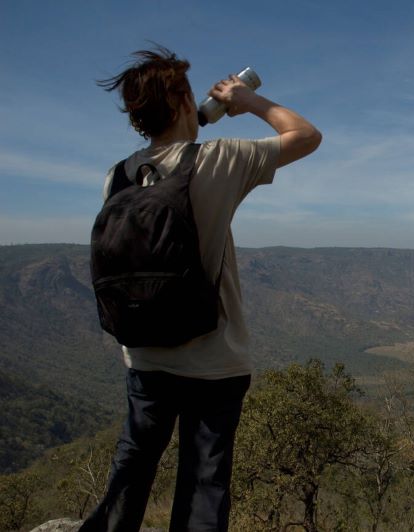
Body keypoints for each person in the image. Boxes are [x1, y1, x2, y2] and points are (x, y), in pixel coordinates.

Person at [80, 46, 321, 532]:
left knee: (134, 462)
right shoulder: (219, 159)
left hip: (144, 355)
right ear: (186, 103)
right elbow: (306, 135)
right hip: (214, 361)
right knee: (203, 482)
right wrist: (244, 98)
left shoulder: (119, 176)